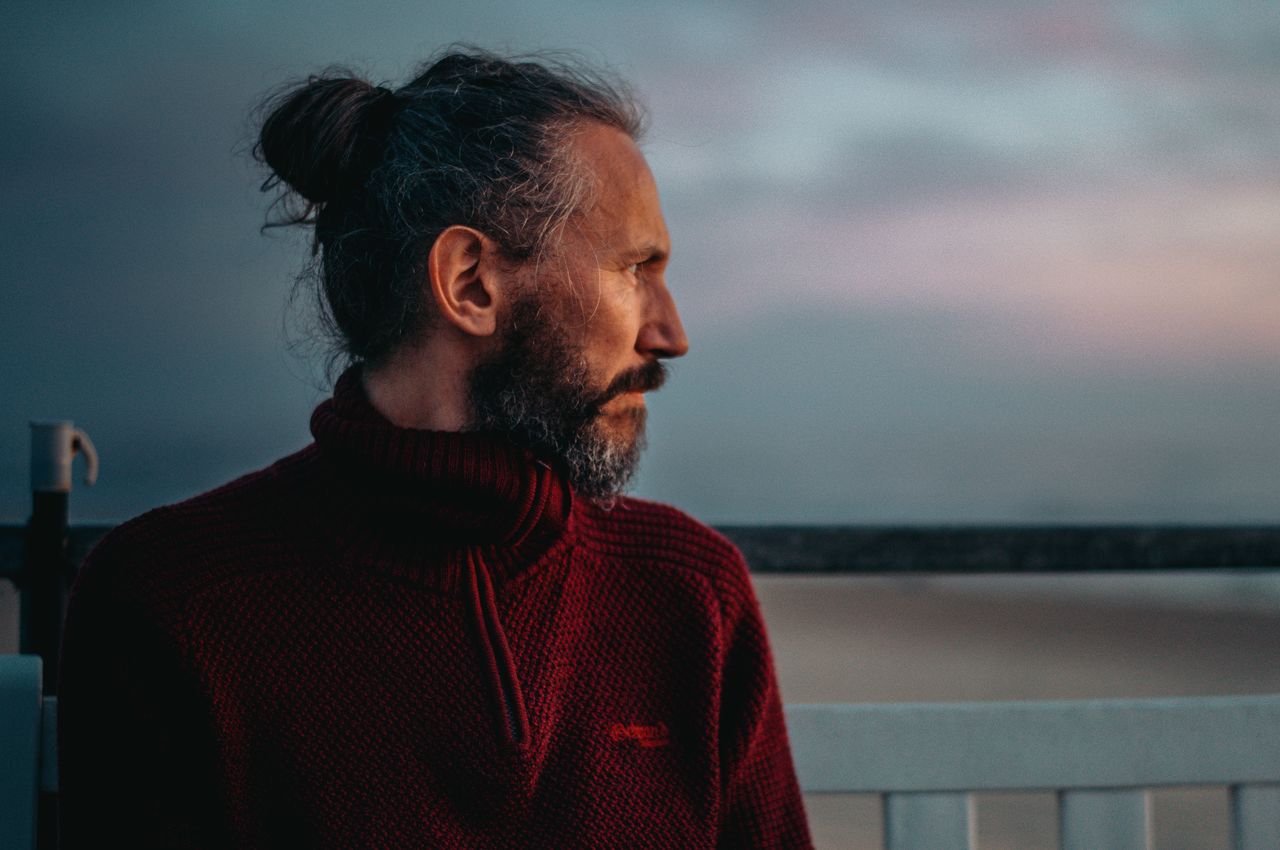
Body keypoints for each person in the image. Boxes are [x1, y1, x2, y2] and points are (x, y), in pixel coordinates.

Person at [58, 48, 813, 849]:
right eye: (635, 269)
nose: (671, 334)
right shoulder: (175, 601)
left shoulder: (689, 593)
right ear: (470, 283)